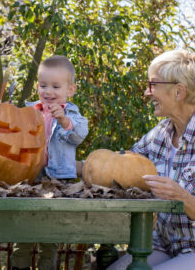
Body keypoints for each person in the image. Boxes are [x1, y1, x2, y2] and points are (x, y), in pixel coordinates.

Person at [106, 49, 195, 269]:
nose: (147, 92)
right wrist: (62, 163)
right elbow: (120, 166)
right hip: (164, 244)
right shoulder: (160, 134)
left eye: (153, 84)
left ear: (178, 92)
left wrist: (183, 198)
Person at [11, 55, 89, 270]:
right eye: (44, 85)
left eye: (56, 86)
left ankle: (48, 265)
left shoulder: (72, 113)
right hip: (30, 175)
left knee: (50, 227)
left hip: (58, 178)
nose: (49, 92)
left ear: (70, 90)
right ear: (37, 86)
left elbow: (79, 135)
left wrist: (64, 120)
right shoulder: (29, 110)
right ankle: (20, 264)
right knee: (24, 222)